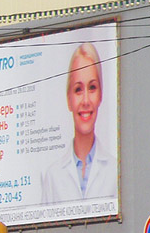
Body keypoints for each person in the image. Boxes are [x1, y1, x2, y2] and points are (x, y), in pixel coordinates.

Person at [39, 42, 118, 205]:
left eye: (92, 87)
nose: (86, 101)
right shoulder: (52, 176)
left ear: (101, 95)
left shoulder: (116, 171)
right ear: (69, 99)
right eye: (78, 90)